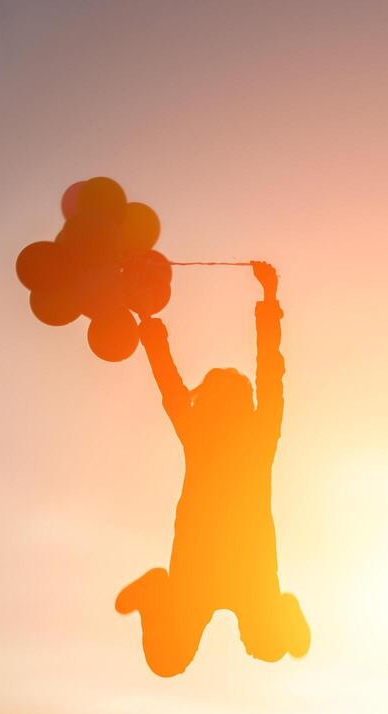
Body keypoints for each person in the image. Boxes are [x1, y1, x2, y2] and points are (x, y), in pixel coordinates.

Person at [115, 261, 310, 676]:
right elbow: (267, 373)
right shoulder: (240, 433)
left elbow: (175, 385)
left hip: (236, 565)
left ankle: (278, 609)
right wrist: (269, 297)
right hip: (214, 567)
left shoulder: (246, 435)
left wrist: (151, 325)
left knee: (265, 648)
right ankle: (154, 590)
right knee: (171, 662)